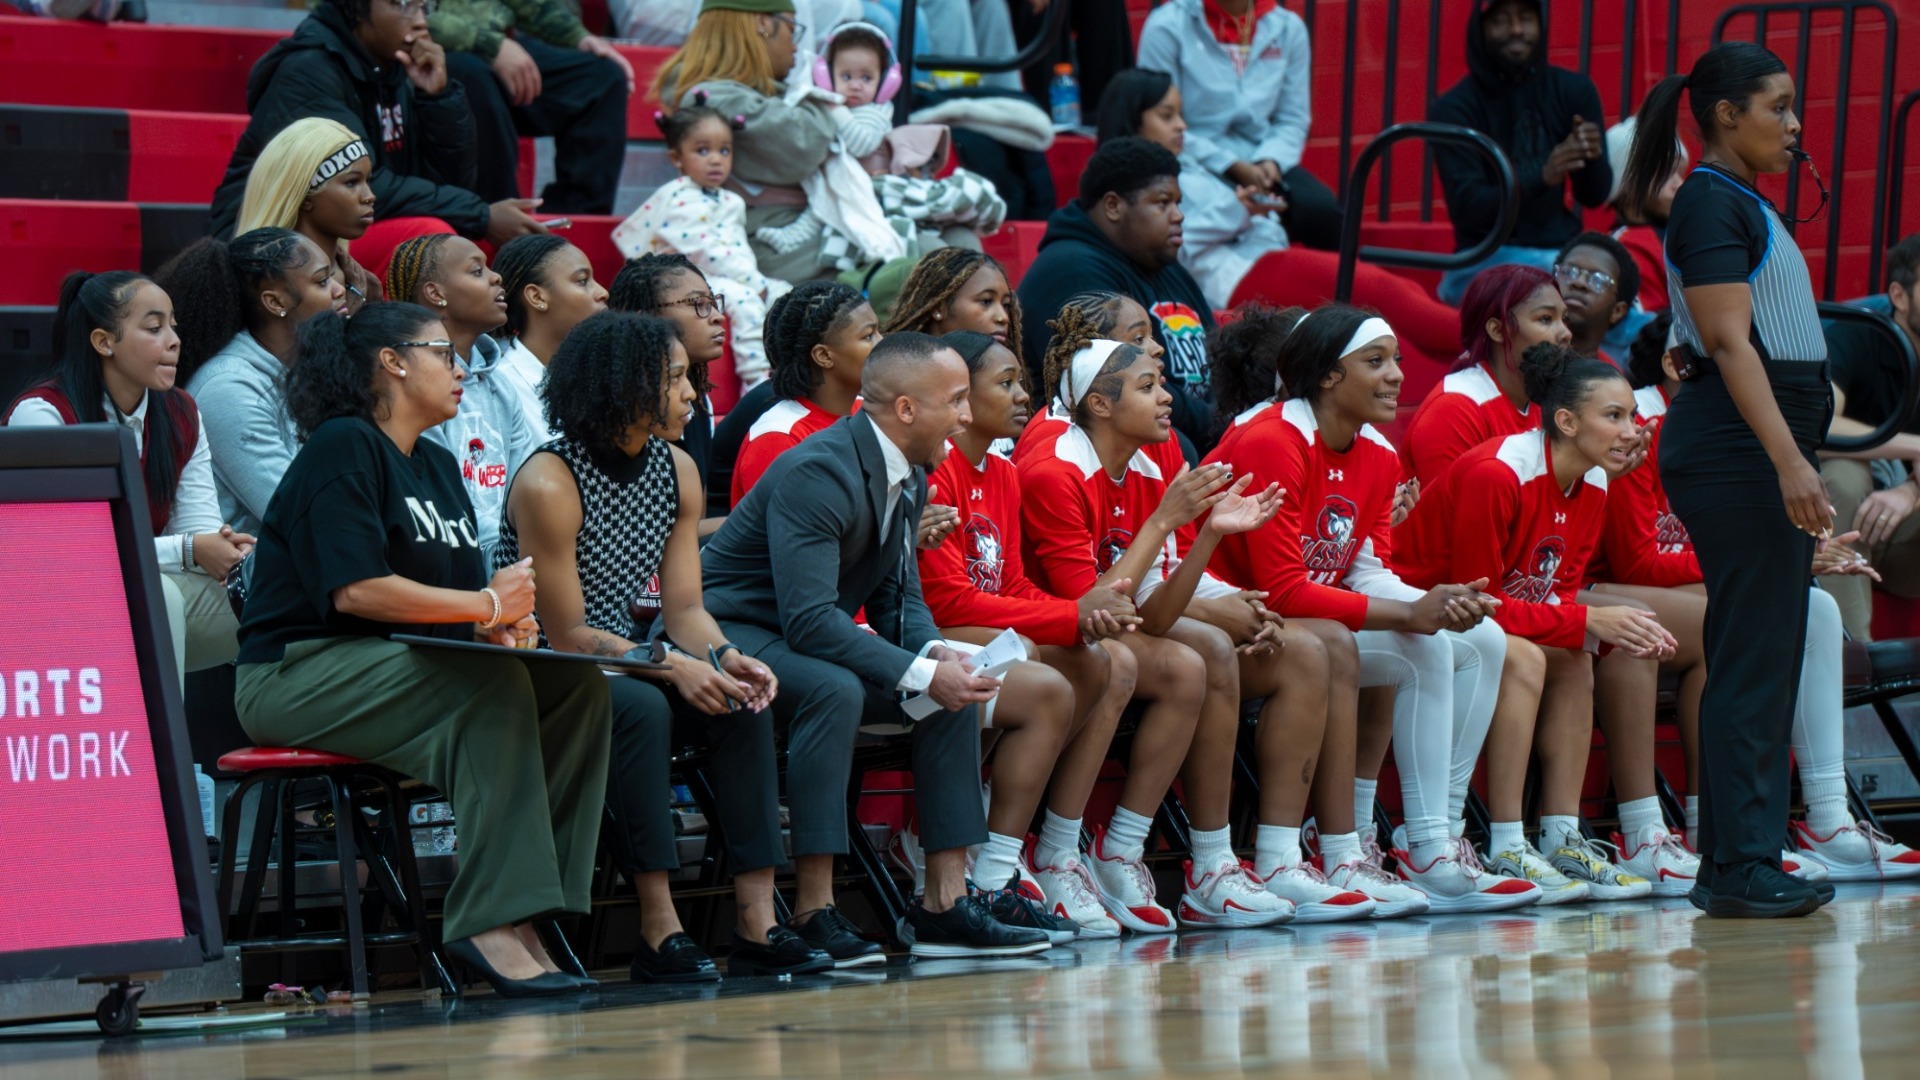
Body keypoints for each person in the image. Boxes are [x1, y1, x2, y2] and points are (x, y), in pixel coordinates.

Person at [232, 301, 612, 997]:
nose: (459, 366)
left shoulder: (436, 465)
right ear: (393, 362)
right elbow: (357, 594)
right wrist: (486, 606)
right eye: (442, 352)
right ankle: (490, 920)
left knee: (574, 688)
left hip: (400, 670)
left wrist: (493, 627)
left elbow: (447, 605)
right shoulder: (342, 446)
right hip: (297, 673)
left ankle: (533, 909)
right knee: (490, 690)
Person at [495, 310, 832, 978]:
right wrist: (671, 666)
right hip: (543, 669)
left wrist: (726, 657)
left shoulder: (676, 467)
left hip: (629, 657)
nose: (694, 395)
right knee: (642, 710)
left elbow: (683, 608)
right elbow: (567, 636)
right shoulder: (548, 481)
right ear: (622, 384)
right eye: (676, 378)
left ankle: (757, 920)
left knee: (738, 701)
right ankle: (658, 925)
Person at [698, 331, 1055, 959]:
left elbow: (898, 599)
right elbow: (809, 622)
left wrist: (937, 655)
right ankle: (814, 908)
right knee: (834, 690)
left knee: (954, 689)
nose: (968, 416)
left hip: (795, 629)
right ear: (907, 409)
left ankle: (944, 904)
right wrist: (920, 672)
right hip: (734, 628)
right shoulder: (820, 471)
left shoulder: (913, 469)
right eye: (956, 400)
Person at [1202, 304, 1535, 914]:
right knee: (1422, 645)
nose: (1396, 376)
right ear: (1328, 376)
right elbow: (1281, 589)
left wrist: (1439, 601)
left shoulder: (1378, 452)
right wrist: (1412, 614)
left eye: (1398, 361)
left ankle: (1436, 840)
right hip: (1231, 616)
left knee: (1482, 636)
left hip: (1309, 619)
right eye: (1375, 362)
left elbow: (1365, 570)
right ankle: (1367, 847)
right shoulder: (1273, 440)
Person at [1620, 40, 1842, 918]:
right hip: (1745, 451)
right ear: (1724, 116)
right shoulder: (1712, 203)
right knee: (1752, 656)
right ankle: (1742, 863)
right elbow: (1726, 344)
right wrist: (1789, 457)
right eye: (1778, 106)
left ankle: (1738, 859)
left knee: (1766, 648)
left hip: (1755, 438)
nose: (1793, 125)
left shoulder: (1734, 201)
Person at [1614, 316, 1917, 882]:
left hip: (1680, 582)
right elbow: (1636, 561)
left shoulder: (1737, 426)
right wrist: (1784, 559)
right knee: (1754, 614)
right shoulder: (1639, 422)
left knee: (1819, 607)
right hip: (1616, 586)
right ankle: (1713, 830)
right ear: (1684, 363)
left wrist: (1800, 552)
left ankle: (1828, 817)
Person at [1019, 337, 1305, 928]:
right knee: (1166, 662)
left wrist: (1208, 536)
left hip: (1101, 626)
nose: (1166, 397)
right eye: (1146, 387)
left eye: (1161, 383)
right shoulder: (1057, 471)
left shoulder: (1148, 467)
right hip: (1047, 630)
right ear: (1099, 405)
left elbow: (1155, 612)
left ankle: (1128, 849)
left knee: (1202, 654)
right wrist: (1164, 521)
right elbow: (1096, 611)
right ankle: (1056, 854)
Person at [1398, 345, 1673, 904]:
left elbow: (1556, 592)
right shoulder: (1497, 473)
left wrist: (1587, 621)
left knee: (1576, 654)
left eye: (1632, 416)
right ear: (1567, 421)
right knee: (1527, 651)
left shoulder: (1594, 481)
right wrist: (1588, 616)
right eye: (1613, 416)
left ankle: (1561, 835)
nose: (1631, 431)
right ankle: (1506, 840)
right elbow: (1482, 602)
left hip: (1488, 619)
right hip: (1418, 611)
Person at [920, 329, 1151, 936]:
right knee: (1049, 676)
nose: (1024, 395)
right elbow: (947, 597)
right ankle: (993, 866)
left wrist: (1081, 617)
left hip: (980, 624)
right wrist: (1071, 615)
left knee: (1099, 659)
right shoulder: (934, 471)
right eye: (1006, 383)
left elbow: (1014, 583)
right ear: (961, 397)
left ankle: (1015, 854)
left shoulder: (1000, 469)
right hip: (933, 635)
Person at [1094, 68, 1459, 365]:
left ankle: (1483, 351)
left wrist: (1256, 211)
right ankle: (1496, 338)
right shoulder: (1136, 188)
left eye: (1181, 114)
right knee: (1390, 297)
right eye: (1166, 115)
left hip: (1263, 256)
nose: (1182, 126)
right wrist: (1241, 209)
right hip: (1239, 274)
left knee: (1402, 291)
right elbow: (1173, 241)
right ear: (1133, 120)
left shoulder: (1199, 161)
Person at [4, 271, 250, 687]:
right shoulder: (43, 414)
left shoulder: (181, 412)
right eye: (154, 328)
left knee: (274, 595)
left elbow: (198, 529)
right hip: (41, 595)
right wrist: (191, 550)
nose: (173, 339)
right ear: (104, 342)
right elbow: (70, 550)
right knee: (164, 598)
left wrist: (224, 549)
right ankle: (157, 751)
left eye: (174, 325)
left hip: (134, 585)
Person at [209, 0, 547, 250]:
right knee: (431, 238)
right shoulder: (309, 70)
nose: (420, 23)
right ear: (357, 10)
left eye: (425, 7)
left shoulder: (393, 69)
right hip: (268, 240)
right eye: (403, 6)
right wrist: (481, 215)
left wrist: (438, 99)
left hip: (344, 229)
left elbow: (453, 183)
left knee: (491, 243)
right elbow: (361, 186)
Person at [1016, 137, 1218, 450]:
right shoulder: (1071, 270)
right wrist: (1222, 424)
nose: (1178, 215)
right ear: (1113, 206)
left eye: (1178, 203)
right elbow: (1121, 382)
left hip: (1180, 435)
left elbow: (1218, 354)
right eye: (1162, 203)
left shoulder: (1167, 267)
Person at [159, 228, 350, 537]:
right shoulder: (228, 388)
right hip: (236, 578)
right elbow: (300, 515)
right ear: (276, 302)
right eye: (322, 281)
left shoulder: (305, 366)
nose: (340, 290)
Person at [650, 0, 848, 284]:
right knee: (906, 265)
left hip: (787, 234)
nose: (796, 47)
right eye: (792, 30)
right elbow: (806, 142)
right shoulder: (711, 97)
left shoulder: (742, 92)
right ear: (763, 24)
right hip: (765, 242)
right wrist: (821, 99)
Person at [1428, 0, 1611, 304]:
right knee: (1577, 294)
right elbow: (1469, 208)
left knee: (1618, 292)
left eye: (1526, 18)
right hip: (1482, 258)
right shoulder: (1453, 108)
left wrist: (1590, 157)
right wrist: (1543, 175)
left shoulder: (1574, 90)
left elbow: (1595, 195)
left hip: (1561, 252)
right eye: (1502, 20)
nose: (1516, 29)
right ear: (1481, 29)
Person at [1135, 0, 1342, 252]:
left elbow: (1292, 119)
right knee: (1232, 218)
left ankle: (1327, 290)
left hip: (1261, 155)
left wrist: (1271, 159)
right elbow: (1159, 120)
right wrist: (1230, 164)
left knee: (1324, 212)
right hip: (1191, 155)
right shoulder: (1167, 26)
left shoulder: (1288, 28)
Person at [615, 100, 791, 391]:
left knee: (784, 293)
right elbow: (705, 251)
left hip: (730, 276)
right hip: (690, 281)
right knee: (746, 301)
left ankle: (784, 368)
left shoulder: (730, 200)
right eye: (702, 150)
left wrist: (759, 282)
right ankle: (756, 381)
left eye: (724, 150)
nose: (716, 160)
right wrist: (753, 282)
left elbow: (737, 247)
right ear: (676, 157)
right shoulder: (679, 197)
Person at [384, 234, 540, 561]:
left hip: (511, 554)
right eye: (476, 271)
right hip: (450, 556)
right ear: (436, 293)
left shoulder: (500, 385)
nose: (497, 277)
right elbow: (441, 499)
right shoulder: (411, 385)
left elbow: (526, 483)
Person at [432, 0, 633, 215]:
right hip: (433, 52)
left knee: (602, 78)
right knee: (473, 76)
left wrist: (578, 36)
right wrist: (490, 45)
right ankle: (499, 219)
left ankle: (572, 225)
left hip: (495, 41)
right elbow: (408, 17)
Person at [1818, 233, 1920, 640]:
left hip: (1903, 532)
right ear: (1899, 294)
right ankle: (1851, 665)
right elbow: (1817, 423)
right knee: (1844, 470)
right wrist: (1915, 447)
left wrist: (1911, 492)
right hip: (1841, 518)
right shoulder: (1857, 332)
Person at [1400, 264, 1571, 488]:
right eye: (1546, 319)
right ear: (1497, 330)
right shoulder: (1455, 409)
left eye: (1564, 319)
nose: (1566, 333)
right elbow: (1451, 518)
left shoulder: (1545, 399)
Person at [732, 282, 877, 505]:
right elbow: (787, 536)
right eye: (868, 336)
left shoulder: (868, 413)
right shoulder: (779, 438)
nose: (882, 342)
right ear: (824, 356)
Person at [234, 116, 384, 315]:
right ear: (304, 194)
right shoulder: (241, 287)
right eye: (351, 182)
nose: (369, 196)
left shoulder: (368, 286)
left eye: (367, 181)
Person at [606, 254, 727, 493]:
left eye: (713, 303)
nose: (717, 316)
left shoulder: (698, 399)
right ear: (646, 317)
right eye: (698, 304)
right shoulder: (620, 406)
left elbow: (693, 521)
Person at [491, 234, 609, 445]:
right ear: (537, 297)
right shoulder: (501, 387)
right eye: (583, 281)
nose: (603, 293)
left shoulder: (604, 373)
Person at [1605, 116, 1686, 314]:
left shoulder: (1675, 233)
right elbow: (1647, 325)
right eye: (1666, 174)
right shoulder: (1625, 248)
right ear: (1628, 186)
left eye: (1679, 172)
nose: (1679, 184)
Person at [1554, 231, 1641, 363]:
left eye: (1598, 279)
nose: (1579, 282)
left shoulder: (1612, 380)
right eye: (1568, 272)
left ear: (1617, 311)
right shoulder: (1516, 351)